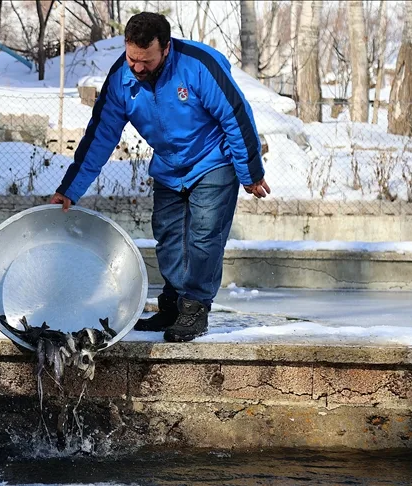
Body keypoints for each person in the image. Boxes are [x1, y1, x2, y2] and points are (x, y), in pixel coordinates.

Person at [49, 12, 270, 343]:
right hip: (169, 166)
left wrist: (249, 172)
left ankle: (195, 308)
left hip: (213, 160)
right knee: (168, 238)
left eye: (145, 60)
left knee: (204, 236)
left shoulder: (198, 65)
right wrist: (70, 189)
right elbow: (100, 137)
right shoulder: (122, 79)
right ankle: (173, 306)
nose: (137, 67)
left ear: (166, 49)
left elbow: (236, 116)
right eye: (131, 58)